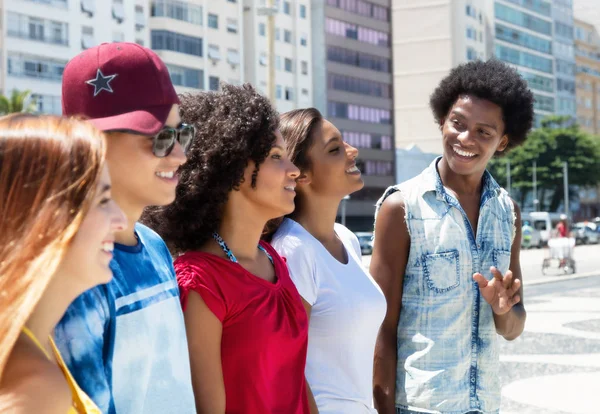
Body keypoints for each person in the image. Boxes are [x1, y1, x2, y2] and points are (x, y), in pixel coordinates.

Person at [371, 60, 534, 414]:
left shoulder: (509, 213)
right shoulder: (400, 208)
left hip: (486, 405)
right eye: (457, 123)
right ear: (442, 120)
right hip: (418, 407)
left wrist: (503, 309)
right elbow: (381, 327)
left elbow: (512, 327)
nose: (465, 139)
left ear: (503, 141)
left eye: (483, 132)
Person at [141, 84, 314, 414]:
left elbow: (296, 381)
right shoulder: (199, 281)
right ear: (232, 170)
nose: (294, 170)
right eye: (276, 157)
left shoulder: (274, 258)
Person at [53, 42, 196, 413]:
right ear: (91, 141)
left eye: (182, 135)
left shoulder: (153, 244)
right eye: (161, 139)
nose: (180, 155)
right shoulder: (74, 270)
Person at [0, 114, 126, 413]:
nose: (120, 221)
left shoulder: (36, 348)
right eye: (103, 201)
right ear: (41, 216)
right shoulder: (34, 388)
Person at [266, 108, 386, 413]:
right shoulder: (292, 250)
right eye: (335, 149)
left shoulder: (346, 238)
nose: (352, 151)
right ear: (301, 174)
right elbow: (286, 364)